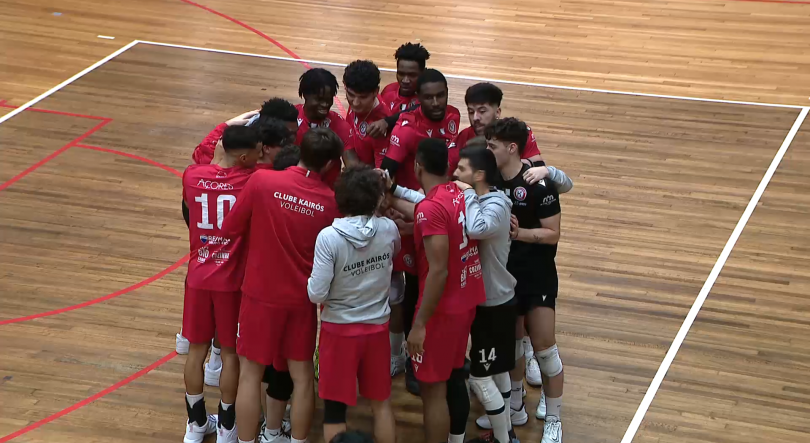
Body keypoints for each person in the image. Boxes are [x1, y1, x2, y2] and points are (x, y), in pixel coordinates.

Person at [221, 128, 344, 443]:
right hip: (301, 301)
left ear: (300, 150)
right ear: (330, 164)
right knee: (302, 377)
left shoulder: (261, 181)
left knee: (250, 374)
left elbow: (231, 228)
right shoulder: (331, 203)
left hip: (259, 295)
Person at [389, 138, 486, 443]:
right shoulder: (459, 192)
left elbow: (439, 270)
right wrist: (394, 202)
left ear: (417, 166)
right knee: (452, 377)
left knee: (432, 392)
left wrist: (419, 325)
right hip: (466, 299)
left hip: (440, 311)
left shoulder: (430, 209)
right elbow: (432, 217)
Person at [381, 68, 462, 394]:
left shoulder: (454, 117)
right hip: (416, 215)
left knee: (446, 283)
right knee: (415, 287)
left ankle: (450, 353)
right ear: (418, 99)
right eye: (428, 97)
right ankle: (412, 360)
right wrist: (391, 203)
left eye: (441, 95)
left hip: (447, 209)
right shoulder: (407, 128)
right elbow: (385, 173)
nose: (436, 102)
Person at [181, 125, 263, 443]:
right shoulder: (252, 181)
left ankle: (195, 424)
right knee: (230, 354)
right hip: (232, 282)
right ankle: (228, 426)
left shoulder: (191, 176)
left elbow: (207, 164)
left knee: (196, 351)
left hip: (198, 278)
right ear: (244, 157)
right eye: (256, 152)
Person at [308, 165, 400, 443]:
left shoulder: (328, 237)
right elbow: (394, 256)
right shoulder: (389, 228)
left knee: (335, 411)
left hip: (339, 331)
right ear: (376, 198)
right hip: (377, 328)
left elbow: (316, 294)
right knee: (381, 404)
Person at [487, 118, 565, 443]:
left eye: (492, 145)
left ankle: (554, 419)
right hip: (504, 277)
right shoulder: (489, 180)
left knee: (544, 349)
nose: (487, 150)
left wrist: (520, 234)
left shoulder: (538, 184)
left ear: (511, 148)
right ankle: (516, 404)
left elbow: (552, 233)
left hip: (537, 275)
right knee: (514, 345)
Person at [448, 83, 543, 174]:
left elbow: (538, 165)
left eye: (482, 111)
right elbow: (447, 171)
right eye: (471, 112)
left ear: (497, 112)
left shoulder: (518, 132)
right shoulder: (463, 137)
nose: (475, 118)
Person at [294, 68, 353, 188]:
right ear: (305, 95)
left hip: (327, 192)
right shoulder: (290, 118)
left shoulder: (339, 125)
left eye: (329, 99)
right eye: (319, 99)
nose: (325, 104)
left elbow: (352, 165)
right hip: (295, 187)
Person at [342, 60, 391, 167]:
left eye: (363, 97)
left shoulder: (380, 126)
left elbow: (380, 171)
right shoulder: (359, 102)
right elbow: (347, 139)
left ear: (376, 92)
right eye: (351, 95)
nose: (355, 103)